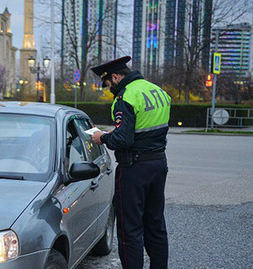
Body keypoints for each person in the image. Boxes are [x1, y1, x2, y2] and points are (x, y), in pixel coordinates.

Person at [90, 56, 171, 269]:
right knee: (155, 225)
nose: (109, 90)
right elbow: (144, 129)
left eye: (108, 85)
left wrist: (103, 137)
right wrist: (118, 131)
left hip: (134, 170)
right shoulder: (157, 91)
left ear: (116, 77)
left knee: (130, 230)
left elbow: (122, 140)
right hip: (158, 164)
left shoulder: (126, 97)